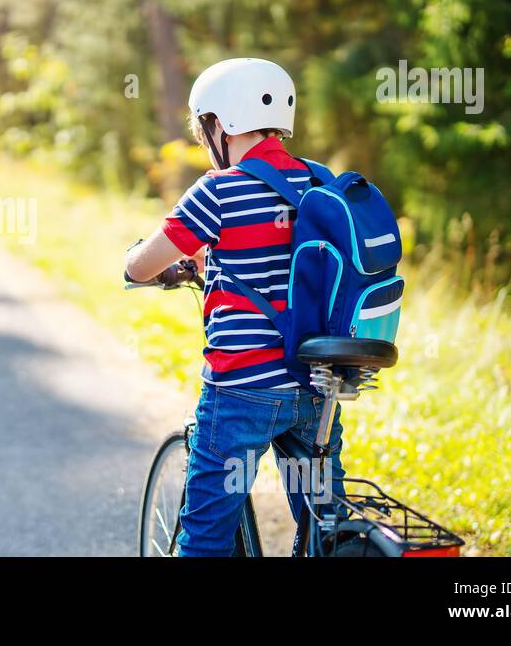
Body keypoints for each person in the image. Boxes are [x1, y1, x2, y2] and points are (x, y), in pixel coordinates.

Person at [123, 58, 345, 556]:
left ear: (219, 124)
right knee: (325, 527)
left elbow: (143, 266)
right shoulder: (321, 183)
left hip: (241, 391)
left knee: (204, 538)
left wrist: (137, 257)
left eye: (205, 130)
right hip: (317, 385)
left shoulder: (220, 190)